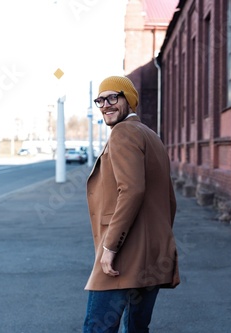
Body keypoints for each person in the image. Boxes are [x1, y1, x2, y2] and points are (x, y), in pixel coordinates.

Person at [83, 76, 180, 333]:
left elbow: (132, 190)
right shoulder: (151, 136)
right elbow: (169, 200)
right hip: (153, 253)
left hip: (124, 252)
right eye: (100, 100)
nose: (105, 105)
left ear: (129, 100)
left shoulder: (123, 133)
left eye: (113, 97)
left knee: (98, 327)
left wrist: (111, 246)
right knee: (137, 328)